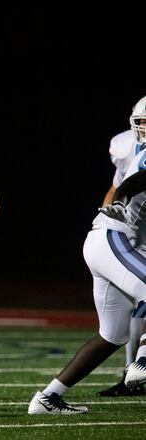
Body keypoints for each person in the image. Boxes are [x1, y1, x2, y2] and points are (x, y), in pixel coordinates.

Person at [28, 148, 146, 415]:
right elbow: (136, 181)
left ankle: (48, 398)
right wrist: (120, 202)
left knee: (112, 335)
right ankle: (142, 361)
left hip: (108, 244)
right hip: (116, 238)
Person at [96, 95, 146, 397]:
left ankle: (138, 364)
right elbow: (121, 184)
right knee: (132, 297)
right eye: (142, 123)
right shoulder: (126, 146)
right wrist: (109, 211)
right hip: (136, 220)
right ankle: (133, 369)